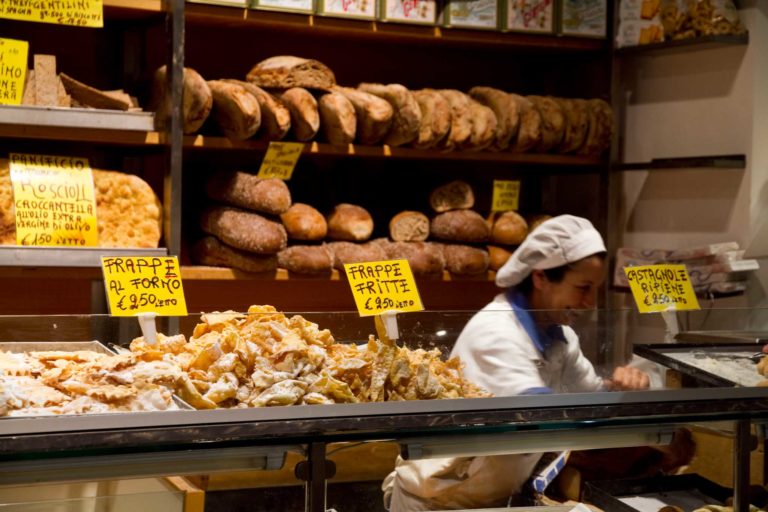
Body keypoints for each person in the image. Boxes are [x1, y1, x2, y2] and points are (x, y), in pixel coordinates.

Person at [382, 215, 650, 511]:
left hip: (491, 497)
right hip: (436, 501)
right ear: (540, 277)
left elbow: (590, 399)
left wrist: (622, 388)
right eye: (583, 287)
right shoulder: (495, 332)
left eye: (595, 290)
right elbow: (539, 414)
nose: (590, 303)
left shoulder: (563, 338)